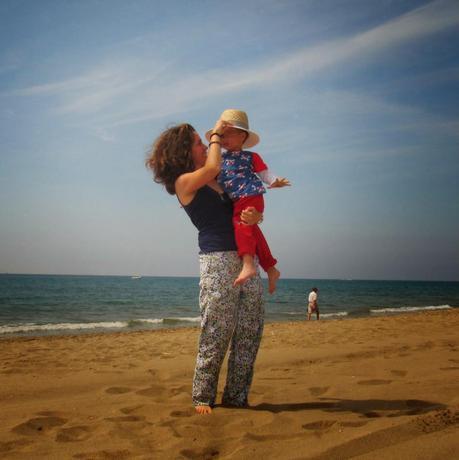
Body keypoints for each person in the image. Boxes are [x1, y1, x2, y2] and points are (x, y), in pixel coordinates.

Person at [145, 120, 265, 415]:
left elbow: (243, 209)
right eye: (199, 142)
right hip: (217, 260)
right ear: (184, 151)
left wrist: (254, 217)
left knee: (250, 329)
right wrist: (215, 136)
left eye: (206, 141)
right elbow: (211, 167)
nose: (208, 144)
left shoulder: (221, 179)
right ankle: (202, 396)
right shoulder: (184, 182)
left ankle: (237, 396)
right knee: (217, 330)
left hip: (246, 256)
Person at [205, 109, 290, 294]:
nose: (224, 139)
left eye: (229, 134)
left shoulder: (251, 157)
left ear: (242, 136)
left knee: (241, 225)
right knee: (253, 232)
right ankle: (271, 268)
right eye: (222, 135)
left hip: (251, 195)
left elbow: (264, 173)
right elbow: (208, 179)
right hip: (238, 200)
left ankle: (249, 263)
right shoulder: (218, 160)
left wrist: (275, 181)